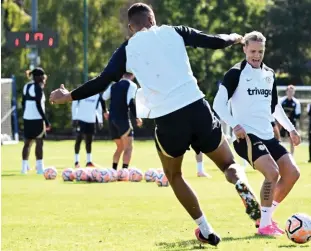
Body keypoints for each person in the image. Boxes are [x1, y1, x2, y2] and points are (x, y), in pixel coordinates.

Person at [49, 3, 260, 246]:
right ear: (153, 19)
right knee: (228, 164)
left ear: (131, 27)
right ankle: (241, 183)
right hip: (197, 107)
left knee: (174, 175)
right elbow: (213, 41)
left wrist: (68, 96)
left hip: (169, 118)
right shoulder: (173, 31)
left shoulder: (128, 48)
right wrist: (233, 38)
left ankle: (206, 229)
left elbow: (103, 80)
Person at [213, 31, 301, 236]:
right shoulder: (235, 73)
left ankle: (265, 217)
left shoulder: (269, 74)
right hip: (247, 137)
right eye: (252, 51)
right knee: (272, 173)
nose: (256, 55)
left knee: (292, 173)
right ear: (244, 49)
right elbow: (218, 104)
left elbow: (274, 107)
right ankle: (265, 226)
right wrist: (235, 125)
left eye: (260, 51)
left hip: (268, 135)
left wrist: (291, 129)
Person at [102, 73, 141, 170]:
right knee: (128, 147)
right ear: (133, 75)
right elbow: (130, 102)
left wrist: (105, 111)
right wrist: (137, 117)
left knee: (120, 147)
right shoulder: (132, 85)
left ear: (122, 74)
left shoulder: (113, 85)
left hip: (112, 120)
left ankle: (113, 170)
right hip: (122, 119)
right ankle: (124, 171)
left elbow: (102, 98)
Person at [21, 67, 50, 174]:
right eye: (42, 76)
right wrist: (46, 121)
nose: (44, 78)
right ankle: (40, 169)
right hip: (37, 119)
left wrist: (25, 115)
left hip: (27, 118)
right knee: (39, 142)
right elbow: (38, 105)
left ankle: (23, 168)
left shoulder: (26, 86)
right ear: (38, 77)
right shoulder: (38, 87)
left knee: (27, 143)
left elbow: (23, 103)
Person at [71, 94, 107, 168]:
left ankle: (89, 161)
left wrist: (100, 121)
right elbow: (74, 104)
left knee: (89, 142)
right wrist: (74, 117)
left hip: (91, 121)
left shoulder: (97, 95)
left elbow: (99, 108)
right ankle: (76, 161)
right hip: (80, 120)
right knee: (78, 140)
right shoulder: (83, 91)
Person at [278, 85, 301, 155]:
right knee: (279, 139)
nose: (290, 93)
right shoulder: (281, 101)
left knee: (292, 140)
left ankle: (292, 155)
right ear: (286, 92)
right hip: (281, 123)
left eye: (292, 91)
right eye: (289, 91)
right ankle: (279, 154)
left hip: (291, 123)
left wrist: (290, 116)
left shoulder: (296, 102)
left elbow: (298, 115)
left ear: (294, 92)